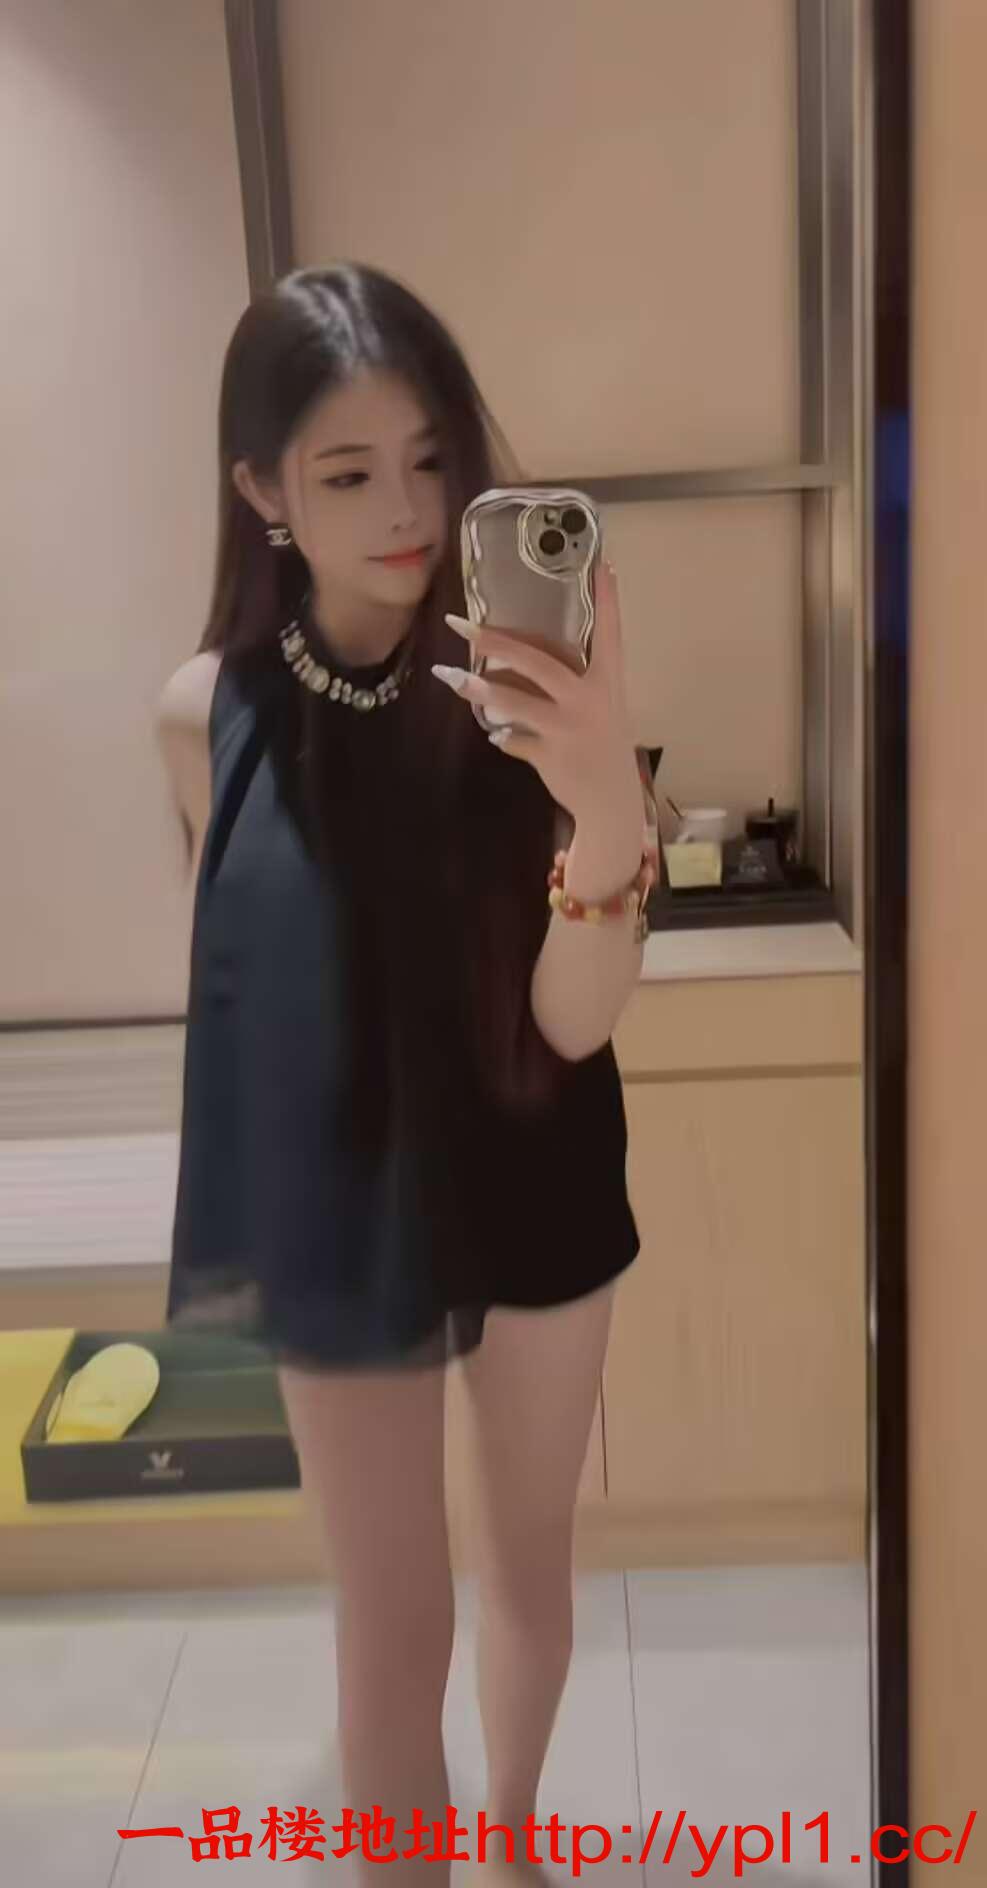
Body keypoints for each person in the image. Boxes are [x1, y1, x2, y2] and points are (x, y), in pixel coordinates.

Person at [157, 264, 649, 1887]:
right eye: (351, 471)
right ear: (263, 490)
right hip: (343, 1190)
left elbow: (574, 1024)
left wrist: (604, 804)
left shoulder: (527, 687)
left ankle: (508, 1839)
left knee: (527, 1566)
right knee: (390, 1620)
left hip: (534, 1163)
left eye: (433, 459)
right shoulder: (204, 717)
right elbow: (249, 990)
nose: (407, 511)